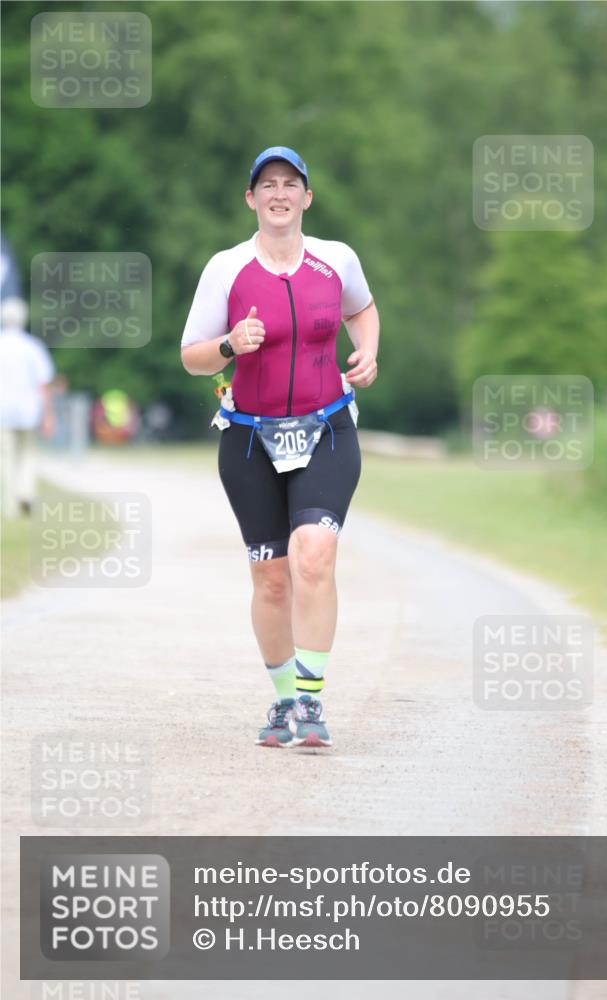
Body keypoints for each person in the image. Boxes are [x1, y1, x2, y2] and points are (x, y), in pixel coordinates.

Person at [181, 146, 379, 749]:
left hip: (326, 426)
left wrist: (367, 352)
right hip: (248, 437)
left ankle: (312, 705)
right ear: (251, 199)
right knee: (270, 579)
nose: (279, 193)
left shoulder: (336, 260)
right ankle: (283, 700)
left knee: (313, 552)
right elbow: (192, 357)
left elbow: (362, 310)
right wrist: (231, 343)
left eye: (290, 184)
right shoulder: (226, 269)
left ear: (307, 197)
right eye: (267, 184)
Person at [0, 297, 55, 517]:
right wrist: (48, 415)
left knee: (5, 457)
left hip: (2, 410)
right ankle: (25, 493)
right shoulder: (33, 347)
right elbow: (43, 384)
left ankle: (9, 505)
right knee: (28, 454)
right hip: (28, 410)